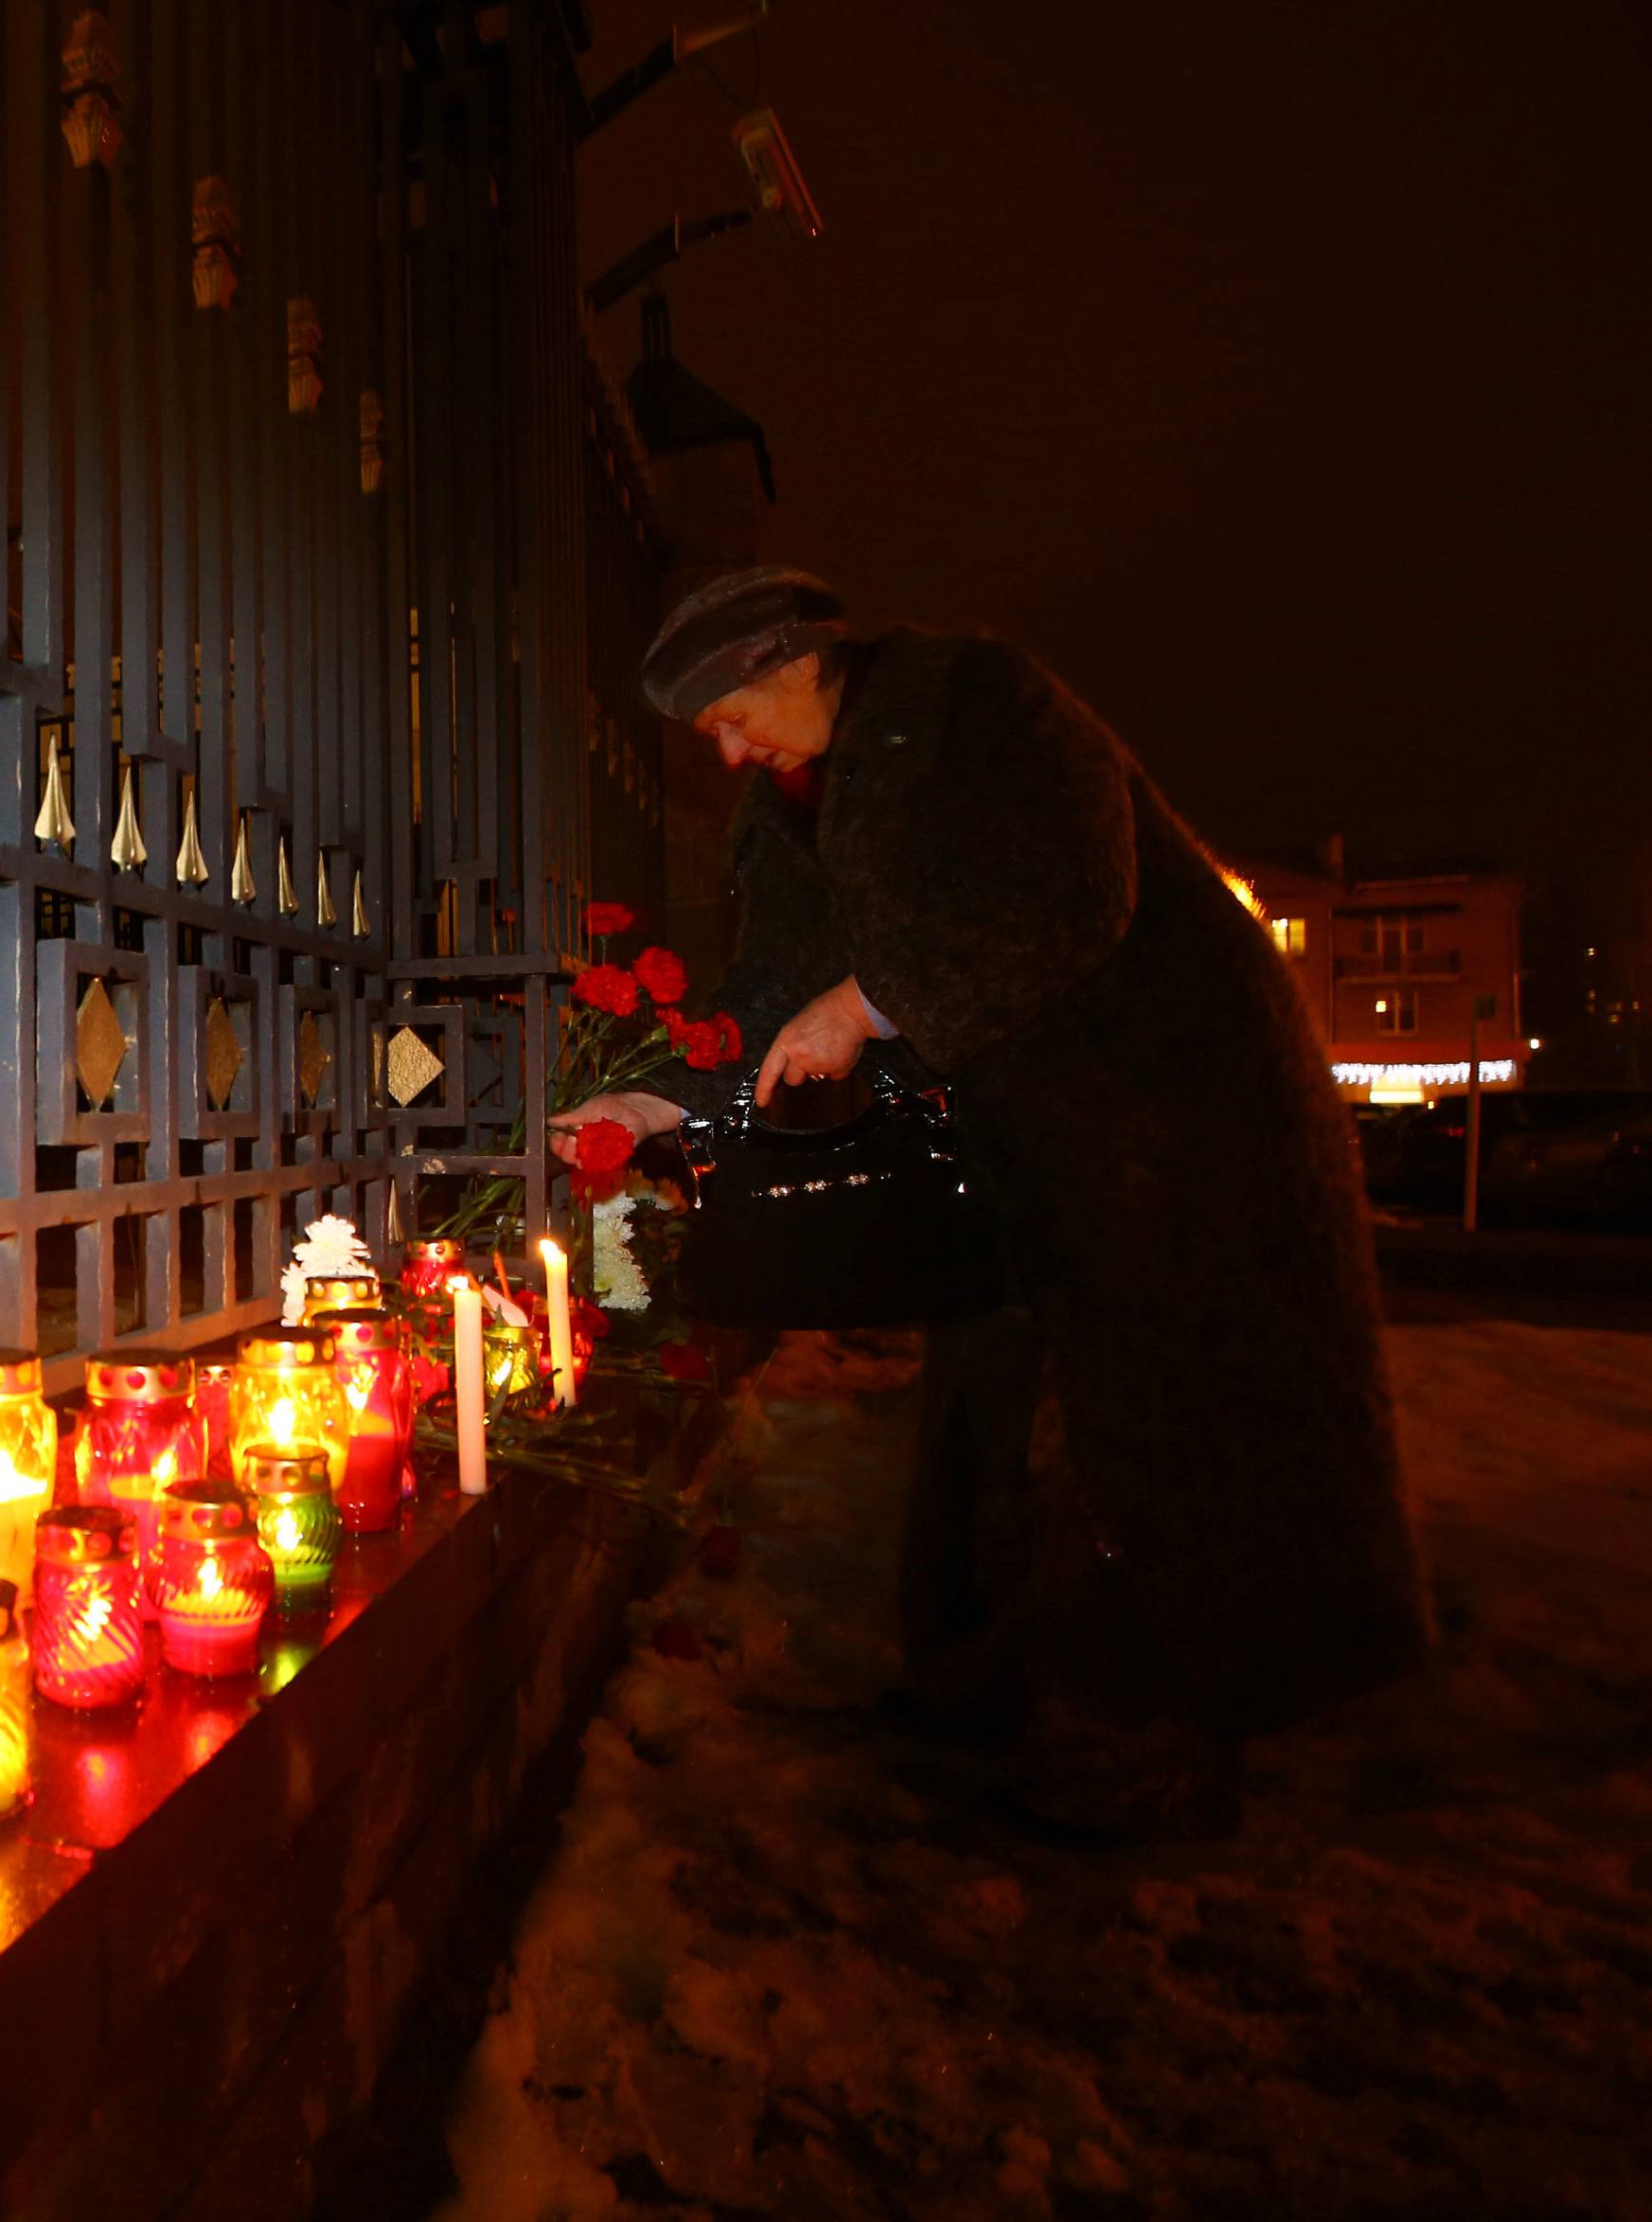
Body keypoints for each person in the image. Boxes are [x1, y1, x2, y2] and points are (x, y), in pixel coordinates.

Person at [551, 566, 1430, 1838]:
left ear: (802, 662)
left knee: (1150, 1443)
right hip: (1017, 1154)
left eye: (735, 714)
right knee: (994, 1411)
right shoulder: (790, 804)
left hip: (1167, 1122)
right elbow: (778, 990)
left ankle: (1139, 1753)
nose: (729, 749)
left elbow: (1069, 892)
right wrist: (661, 1105)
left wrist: (868, 1003)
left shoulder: (982, 707)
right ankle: (980, 1692)